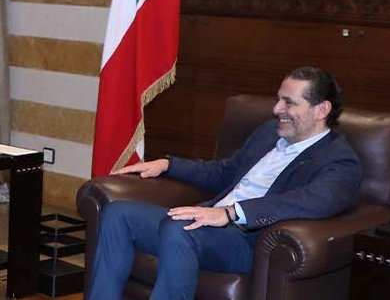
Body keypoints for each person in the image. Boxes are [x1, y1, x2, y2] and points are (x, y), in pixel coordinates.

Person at [86, 67, 362, 300]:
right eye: (278, 99)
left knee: (182, 228)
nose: (276, 109)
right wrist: (169, 164)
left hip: (248, 241)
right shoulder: (270, 132)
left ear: (321, 109)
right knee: (118, 213)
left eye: (288, 102)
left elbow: (311, 202)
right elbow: (224, 171)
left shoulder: (339, 160)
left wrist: (231, 213)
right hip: (209, 224)